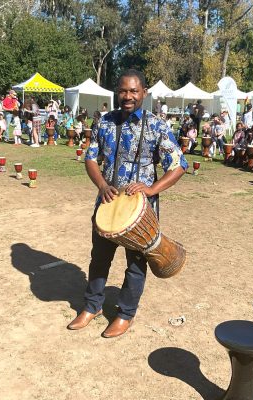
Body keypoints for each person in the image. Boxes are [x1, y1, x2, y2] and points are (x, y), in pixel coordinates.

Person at [68, 69, 187, 338]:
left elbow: (179, 165)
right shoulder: (104, 122)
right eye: (123, 91)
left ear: (144, 92)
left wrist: (152, 188)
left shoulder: (157, 125)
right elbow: (90, 158)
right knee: (98, 259)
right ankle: (92, 306)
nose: (128, 96)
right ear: (116, 92)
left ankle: (125, 314)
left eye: (134, 91)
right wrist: (102, 185)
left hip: (141, 212)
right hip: (107, 205)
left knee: (135, 265)